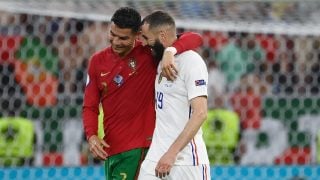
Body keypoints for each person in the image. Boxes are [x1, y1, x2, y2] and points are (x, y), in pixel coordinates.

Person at [82, 7, 203, 180]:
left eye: (123, 38)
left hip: (143, 149)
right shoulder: (97, 62)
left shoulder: (148, 52)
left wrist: (171, 51)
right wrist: (92, 135)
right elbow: (90, 106)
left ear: (137, 35)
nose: (115, 41)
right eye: (112, 34)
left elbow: (195, 38)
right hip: (113, 149)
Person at [138, 11, 211, 179]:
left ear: (162, 35)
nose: (143, 43)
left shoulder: (192, 62)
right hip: (155, 157)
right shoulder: (160, 61)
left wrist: (172, 154)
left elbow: (200, 113)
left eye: (147, 38)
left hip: (187, 161)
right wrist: (170, 51)